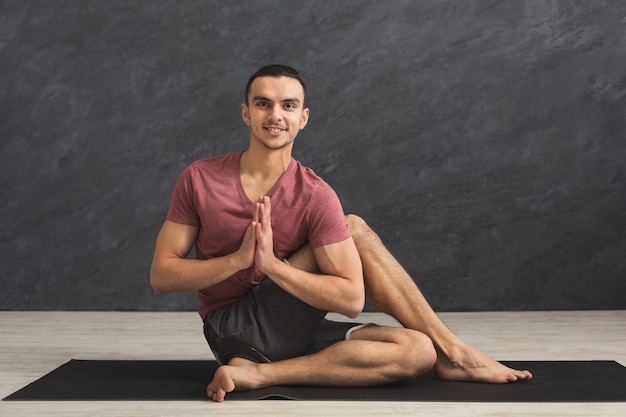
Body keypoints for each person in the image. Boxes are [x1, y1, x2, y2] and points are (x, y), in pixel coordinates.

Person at [150, 64, 532, 402]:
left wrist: (273, 267)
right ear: (246, 113)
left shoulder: (316, 194)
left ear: (304, 118)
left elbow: (351, 299)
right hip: (231, 329)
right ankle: (457, 352)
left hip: (291, 333)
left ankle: (258, 374)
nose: (275, 115)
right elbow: (162, 276)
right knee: (354, 229)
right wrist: (238, 260)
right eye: (263, 103)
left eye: (288, 105)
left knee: (418, 352)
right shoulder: (200, 178)